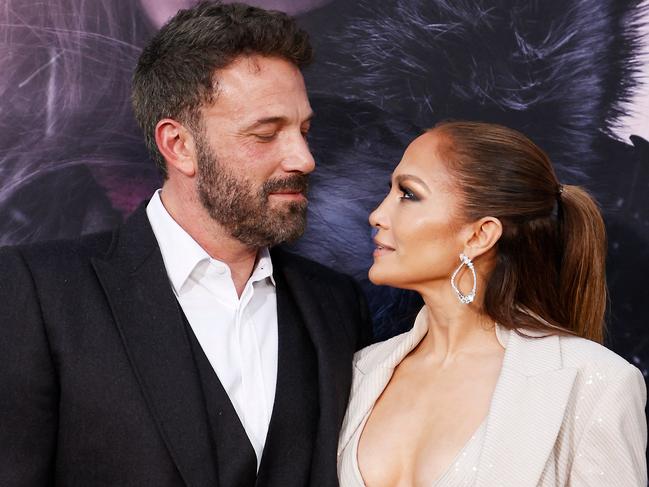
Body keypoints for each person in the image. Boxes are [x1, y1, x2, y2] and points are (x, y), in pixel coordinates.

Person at [0, 2, 371, 486]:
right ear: (178, 145)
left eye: (304, 131)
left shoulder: (336, 304)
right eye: (266, 133)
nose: (303, 158)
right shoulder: (38, 292)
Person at [337, 121, 647, 486]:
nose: (377, 215)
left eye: (408, 194)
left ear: (479, 235)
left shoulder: (593, 383)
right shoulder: (361, 371)